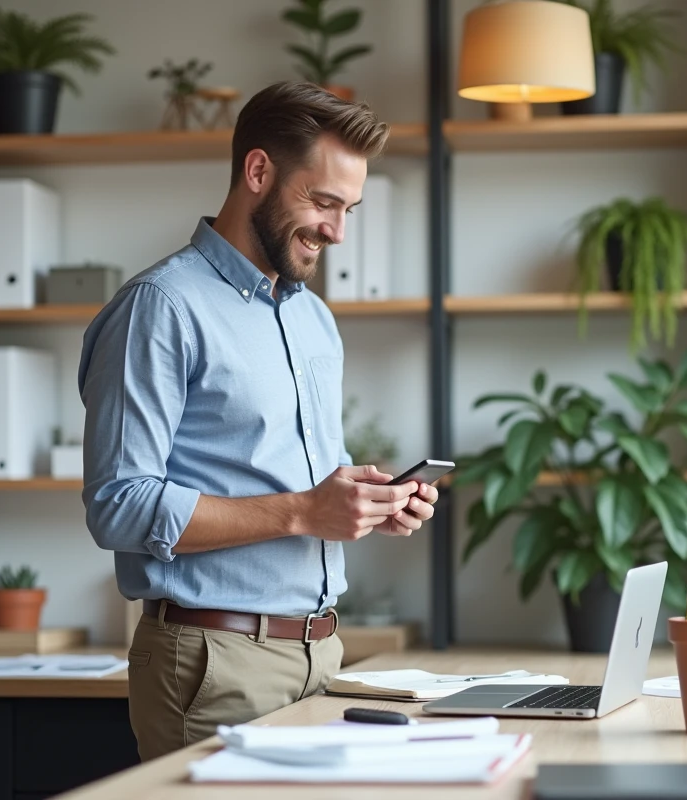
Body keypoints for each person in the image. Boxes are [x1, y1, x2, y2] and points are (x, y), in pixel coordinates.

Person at [77, 81, 440, 761]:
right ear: (258, 171)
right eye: (324, 201)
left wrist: (361, 502)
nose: (337, 230)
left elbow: (287, 486)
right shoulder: (161, 307)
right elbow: (119, 507)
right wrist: (304, 511)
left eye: (349, 208)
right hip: (214, 664)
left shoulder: (312, 319)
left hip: (323, 658)